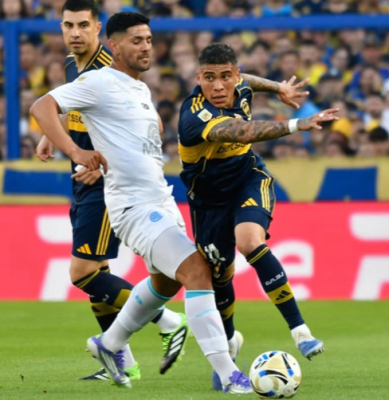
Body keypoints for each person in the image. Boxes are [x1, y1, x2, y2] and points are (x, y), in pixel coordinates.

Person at [30, 12, 252, 394]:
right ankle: (230, 373)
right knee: (197, 272)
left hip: (160, 199)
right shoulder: (99, 81)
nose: (146, 46)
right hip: (133, 206)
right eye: (137, 40)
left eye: (148, 39)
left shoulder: (140, 89)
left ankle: (109, 343)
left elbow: (136, 134)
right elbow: (41, 106)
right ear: (114, 46)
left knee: (165, 283)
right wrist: (75, 152)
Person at [35, 0, 188, 381]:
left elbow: (151, 122)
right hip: (83, 178)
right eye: (68, 26)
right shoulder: (74, 65)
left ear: (98, 28)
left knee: (83, 272)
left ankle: (168, 321)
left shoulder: (109, 65)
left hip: (107, 184)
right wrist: (51, 134)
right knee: (98, 276)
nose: (75, 33)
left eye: (82, 25)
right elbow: (74, 107)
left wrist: (99, 160)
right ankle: (123, 363)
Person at [178, 43, 338, 390]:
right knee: (219, 276)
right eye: (209, 78)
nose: (218, 86)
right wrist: (297, 124)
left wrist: (278, 87)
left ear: (234, 75)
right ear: (198, 78)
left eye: (226, 77)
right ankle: (229, 344)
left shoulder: (239, 84)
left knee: (249, 241)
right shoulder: (194, 116)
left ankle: (300, 331)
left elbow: (248, 80)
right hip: (208, 201)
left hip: (248, 178)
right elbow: (242, 131)